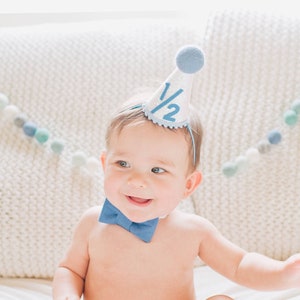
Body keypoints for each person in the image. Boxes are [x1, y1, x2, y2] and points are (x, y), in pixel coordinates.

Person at [52, 46, 300, 300]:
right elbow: (70, 270)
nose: (136, 181)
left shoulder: (193, 231)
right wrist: (66, 295)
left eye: (157, 170)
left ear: (188, 184)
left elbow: (240, 264)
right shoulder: (93, 223)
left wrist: (283, 274)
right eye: (123, 164)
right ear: (105, 165)